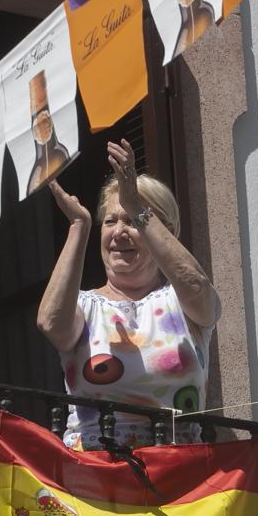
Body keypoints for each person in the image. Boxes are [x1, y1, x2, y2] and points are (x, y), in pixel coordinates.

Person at [37, 139, 220, 449]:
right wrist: (79, 225)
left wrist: (137, 205)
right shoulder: (85, 306)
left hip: (180, 470)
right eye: (110, 221)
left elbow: (199, 290)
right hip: (96, 469)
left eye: (132, 220)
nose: (119, 232)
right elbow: (50, 323)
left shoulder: (181, 301)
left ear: (165, 231)